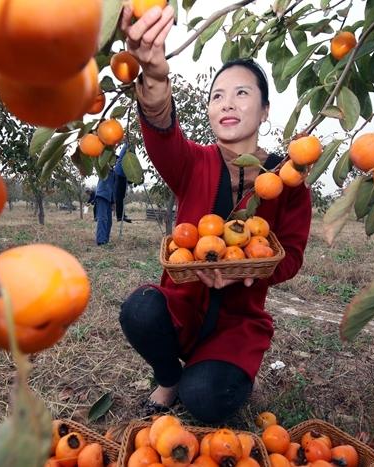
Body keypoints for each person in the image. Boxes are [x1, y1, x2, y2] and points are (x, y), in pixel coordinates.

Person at [117, 5, 312, 423]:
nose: (228, 103)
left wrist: (253, 269)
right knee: (140, 308)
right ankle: (168, 377)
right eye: (217, 95)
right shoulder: (193, 163)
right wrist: (153, 74)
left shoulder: (286, 178)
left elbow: (291, 256)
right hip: (182, 307)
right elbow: (161, 129)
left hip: (235, 325)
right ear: (208, 111)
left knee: (205, 399)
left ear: (264, 111)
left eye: (242, 93)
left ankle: (218, 374)